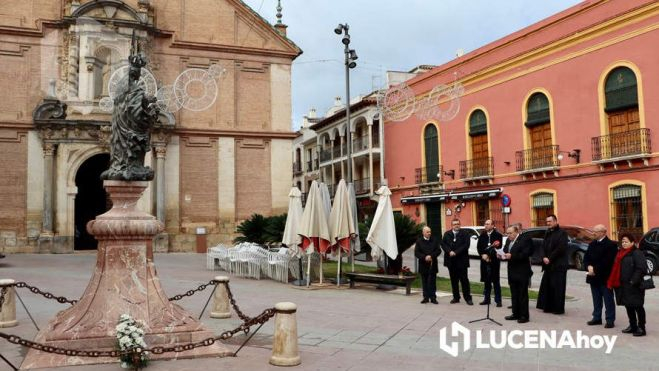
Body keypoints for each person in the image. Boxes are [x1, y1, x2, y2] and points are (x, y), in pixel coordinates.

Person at [607, 234, 647, 337]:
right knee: (628, 306)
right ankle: (632, 325)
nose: (624, 244)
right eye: (623, 242)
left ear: (632, 242)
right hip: (622, 284)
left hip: (634, 285)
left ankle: (641, 327)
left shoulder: (637, 253)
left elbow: (641, 268)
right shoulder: (620, 253)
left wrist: (633, 281)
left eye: (626, 242)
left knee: (638, 306)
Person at [584, 224, 617, 328]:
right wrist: (588, 266)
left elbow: (608, 261)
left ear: (603, 232)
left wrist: (595, 269)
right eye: (593, 231)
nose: (593, 233)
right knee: (596, 299)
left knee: (608, 299)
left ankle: (610, 319)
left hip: (605, 277)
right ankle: (597, 317)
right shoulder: (592, 244)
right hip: (593, 277)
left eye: (596, 231)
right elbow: (586, 257)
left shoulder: (611, 245)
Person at [536, 215, 569, 314]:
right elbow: (543, 246)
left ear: (555, 221)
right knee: (548, 286)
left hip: (559, 265)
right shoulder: (547, 232)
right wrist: (544, 257)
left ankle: (557, 309)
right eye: (547, 222)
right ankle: (547, 307)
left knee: (558, 287)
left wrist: (550, 258)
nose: (548, 223)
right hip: (548, 265)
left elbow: (561, 248)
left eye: (550, 221)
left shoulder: (562, 233)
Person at [501, 225, 533, 323]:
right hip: (512, 270)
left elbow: (526, 253)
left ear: (516, 232)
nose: (508, 235)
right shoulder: (508, 240)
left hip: (522, 271)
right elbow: (506, 249)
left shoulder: (525, 239)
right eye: (507, 233)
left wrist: (512, 255)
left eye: (510, 233)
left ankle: (524, 316)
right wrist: (502, 254)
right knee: (514, 294)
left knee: (522, 294)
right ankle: (515, 313)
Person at [441, 219, 473, 305]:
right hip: (451, 261)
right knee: (454, 280)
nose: (457, 225)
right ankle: (456, 297)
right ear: (451, 225)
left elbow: (466, 245)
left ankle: (467, 298)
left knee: (464, 280)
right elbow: (443, 244)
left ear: (460, 224)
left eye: (458, 224)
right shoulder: (447, 234)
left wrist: (456, 252)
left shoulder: (465, 233)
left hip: (462, 261)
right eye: (455, 224)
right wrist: (449, 251)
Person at [477, 219, 503, 307]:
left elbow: (498, 247)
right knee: (486, 281)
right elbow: (479, 247)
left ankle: (498, 300)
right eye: (485, 224)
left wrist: (489, 256)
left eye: (488, 224)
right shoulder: (482, 235)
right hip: (484, 261)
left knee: (496, 281)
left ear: (492, 225)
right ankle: (486, 299)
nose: (486, 225)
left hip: (494, 261)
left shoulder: (498, 235)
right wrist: (482, 255)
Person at [414, 226, 441, 304]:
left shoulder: (434, 240)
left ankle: (433, 297)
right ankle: (425, 297)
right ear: (423, 233)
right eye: (427, 232)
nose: (429, 233)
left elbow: (438, 251)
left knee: (432, 282)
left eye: (430, 232)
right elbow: (417, 253)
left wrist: (431, 256)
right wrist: (424, 257)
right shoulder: (419, 241)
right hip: (423, 264)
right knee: (424, 281)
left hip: (433, 264)